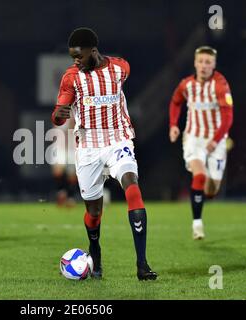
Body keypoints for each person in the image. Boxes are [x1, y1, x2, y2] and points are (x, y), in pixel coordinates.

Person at [51, 27, 157, 281]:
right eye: (72, 56)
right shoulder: (71, 78)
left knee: (132, 186)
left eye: (79, 55)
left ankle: (142, 264)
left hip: (118, 140)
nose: (75, 60)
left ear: (93, 51)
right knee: (94, 211)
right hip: (88, 148)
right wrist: (59, 115)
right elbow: (57, 115)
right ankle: (95, 251)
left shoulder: (121, 68)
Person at [169, 46, 234, 240]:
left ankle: (203, 196)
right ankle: (197, 223)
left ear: (214, 64)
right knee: (200, 176)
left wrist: (215, 140)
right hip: (193, 138)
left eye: (208, 62)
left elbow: (228, 116)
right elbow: (175, 102)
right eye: (201, 62)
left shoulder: (220, 85)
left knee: (212, 188)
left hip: (216, 139)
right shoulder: (186, 85)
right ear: (195, 63)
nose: (204, 66)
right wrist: (173, 125)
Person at [50, 117, 78, 207]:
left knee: (72, 175)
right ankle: (61, 192)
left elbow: (74, 128)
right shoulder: (59, 112)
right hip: (60, 146)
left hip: (71, 147)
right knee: (58, 171)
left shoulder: (76, 113)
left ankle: (70, 197)